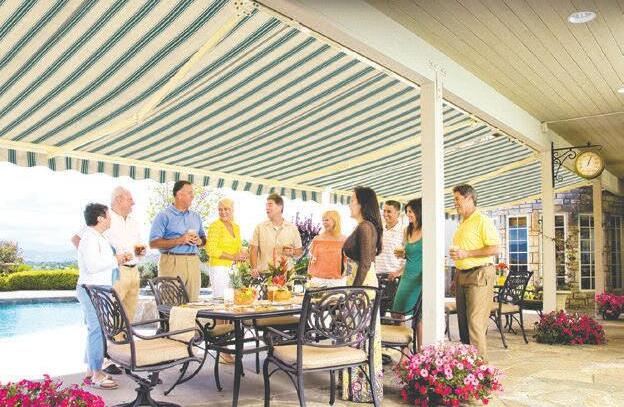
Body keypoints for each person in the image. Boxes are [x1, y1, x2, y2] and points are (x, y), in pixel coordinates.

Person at [71, 186, 145, 376]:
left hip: (133, 270)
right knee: (106, 320)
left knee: (126, 318)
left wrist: (140, 252)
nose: (133, 202)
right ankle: (102, 361)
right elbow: (77, 239)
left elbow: (138, 243)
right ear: (119, 199)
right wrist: (96, 259)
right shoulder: (102, 220)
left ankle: (122, 356)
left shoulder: (133, 222)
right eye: (130, 199)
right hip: (113, 272)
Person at [76, 203, 131, 390]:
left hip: (98, 289)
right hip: (91, 289)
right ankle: (97, 374)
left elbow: (102, 263)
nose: (110, 219)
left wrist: (118, 260)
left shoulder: (98, 237)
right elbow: (92, 266)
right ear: (100, 218)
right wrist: (116, 260)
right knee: (97, 330)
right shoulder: (89, 238)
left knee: (96, 329)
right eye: (108, 216)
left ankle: (90, 372)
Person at [341, 186, 383, 403]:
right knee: (356, 337)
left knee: (359, 338)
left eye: (352, 200)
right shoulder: (363, 226)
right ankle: (355, 387)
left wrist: (354, 293)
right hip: (360, 288)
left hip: (362, 290)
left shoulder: (366, 227)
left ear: (362, 205)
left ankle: (361, 389)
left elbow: (365, 263)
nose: (349, 204)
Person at [449, 184, 500, 358]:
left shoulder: (482, 220)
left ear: (469, 198)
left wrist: (467, 253)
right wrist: (456, 277)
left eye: (457, 199)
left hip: (479, 274)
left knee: (475, 322)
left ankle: (480, 368)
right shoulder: (463, 222)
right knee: (463, 323)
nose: (455, 203)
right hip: (462, 275)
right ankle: (467, 365)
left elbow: (495, 248)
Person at [149, 181, 206, 301]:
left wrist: (199, 241)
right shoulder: (163, 216)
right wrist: (180, 240)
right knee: (171, 303)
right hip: (171, 261)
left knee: (193, 304)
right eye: (190, 193)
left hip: (193, 262)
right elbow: (153, 243)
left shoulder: (196, 216)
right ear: (179, 195)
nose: (193, 196)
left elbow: (204, 240)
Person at [205, 198, 245, 364]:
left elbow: (238, 248)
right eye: (220, 209)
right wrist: (233, 256)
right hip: (219, 269)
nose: (223, 212)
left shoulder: (236, 227)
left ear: (233, 210)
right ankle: (221, 348)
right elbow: (210, 249)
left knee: (231, 307)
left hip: (233, 269)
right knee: (222, 307)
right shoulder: (215, 226)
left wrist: (242, 254)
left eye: (226, 209)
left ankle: (226, 343)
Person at [389, 198, 423, 353]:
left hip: (420, 278)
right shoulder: (407, 230)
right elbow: (408, 255)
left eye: (411, 212)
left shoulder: (427, 230)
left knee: (418, 317)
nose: (408, 215)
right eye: (407, 212)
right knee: (397, 312)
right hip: (407, 276)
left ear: (419, 212)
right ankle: (405, 352)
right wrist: (402, 257)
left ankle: (421, 352)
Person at [250, 193, 302, 275]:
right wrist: (254, 268)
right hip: (265, 274)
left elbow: (299, 251)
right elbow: (253, 250)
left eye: (270, 204)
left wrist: (292, 252)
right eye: (266, 205)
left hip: (286, 275)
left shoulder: (292, 228)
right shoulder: (260, 227)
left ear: (280, 207)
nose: (267, 208)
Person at [308, 210, 346, 287]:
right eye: (323, 220)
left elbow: (349, 261)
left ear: (335, 221)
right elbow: (311, 260)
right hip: (318, 280)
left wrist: (346, 275)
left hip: (337, 281)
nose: (324, 222)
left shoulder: (344, 240)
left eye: (327, 220)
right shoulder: (317, 239)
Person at [375, 200, 405, 277]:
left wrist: (398, 273)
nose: (385, 214)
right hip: (376, 274)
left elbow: (410, 257)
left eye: (389, 211)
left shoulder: (404, 231)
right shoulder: (379, 229)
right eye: (384, 211)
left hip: (393, 276)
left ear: (398, 214)